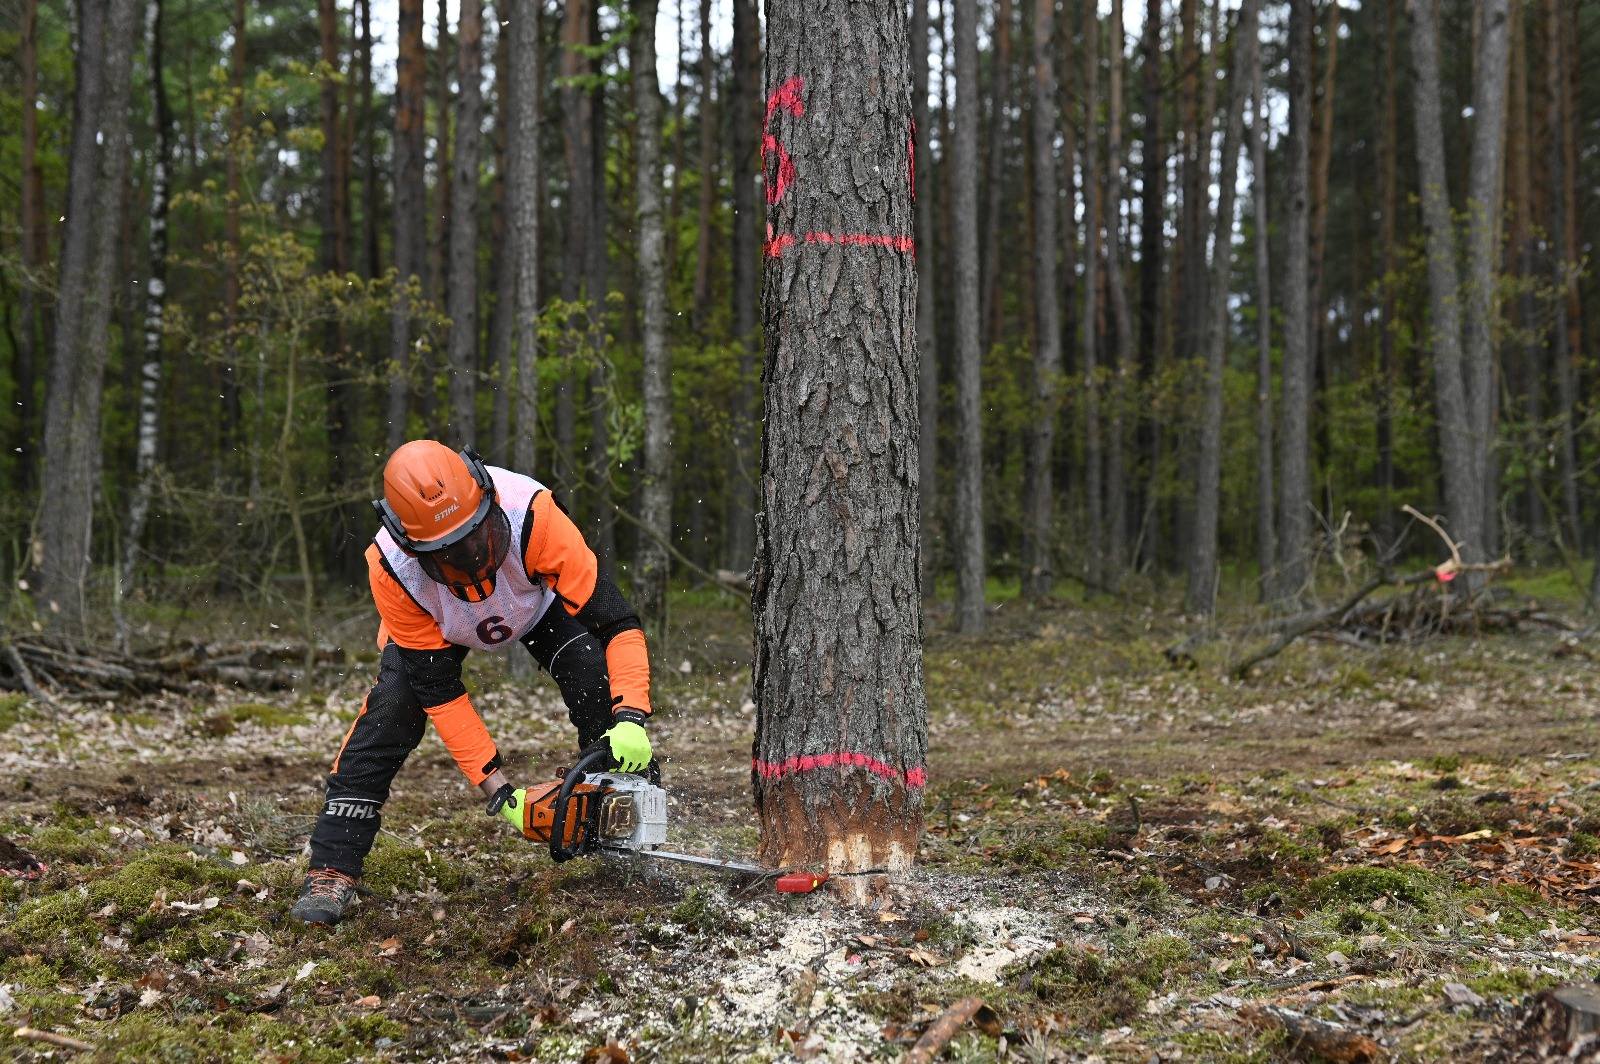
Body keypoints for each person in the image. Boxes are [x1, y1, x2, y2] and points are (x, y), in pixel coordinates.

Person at [290, 441, 654, 925]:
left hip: (533, 604)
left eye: (476, 538)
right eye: (449, 553)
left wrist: (630, 717)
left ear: (487, 497)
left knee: (592, 674)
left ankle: (626, 819)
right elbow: (441, 693)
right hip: (437, 624)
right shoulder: (391, 570)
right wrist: (500, 793)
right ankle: (332, 867)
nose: (471, 559)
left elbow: (617, 623)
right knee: (394, 707)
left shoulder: (534, 513)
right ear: (409, 543)